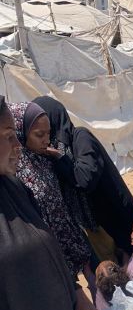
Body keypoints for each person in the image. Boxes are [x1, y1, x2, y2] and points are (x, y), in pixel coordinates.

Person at [0, 96, 104, 310]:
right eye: (9, 137)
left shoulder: (15, 188)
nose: (18, 146)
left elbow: (47, 248)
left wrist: (75, 292)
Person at [33, 96, 133, 261]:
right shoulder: (49, 151)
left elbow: (84, 180)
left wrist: (61, 158)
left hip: (114, 215)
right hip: (93, 225)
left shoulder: (81, 138)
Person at [8, 101, 91, 279]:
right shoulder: (12, 169)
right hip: (47, 253)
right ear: (20, 131)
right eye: (39, 135)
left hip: (70, 241)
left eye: (48, 133)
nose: (46, 140)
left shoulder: (46, 159)